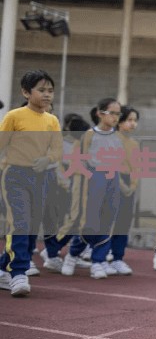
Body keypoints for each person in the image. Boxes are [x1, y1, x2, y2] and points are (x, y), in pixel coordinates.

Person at [0, 70, 62, 297]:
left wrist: (48, 159)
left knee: (31, 228)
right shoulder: (14, 116)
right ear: (26, 92)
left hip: (40, 178)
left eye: (50, 91)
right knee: (20, 223)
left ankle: (3, 267)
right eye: (41, 90)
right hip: (15, 176)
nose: (47, 95)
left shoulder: (52, 120)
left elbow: (57, 150)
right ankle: (19, 273)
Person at [56, 98, 130, 278]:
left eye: (118, 114)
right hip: (92, 178)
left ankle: (98, 261)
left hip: (111, 178)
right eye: (112, 113)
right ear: (100, 113)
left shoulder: (118, 137)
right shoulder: (89, 135)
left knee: (107, 219)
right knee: (89, 222)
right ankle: (73, 254)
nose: (115, 117)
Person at [41, 114, 91, 272]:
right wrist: (66, 184)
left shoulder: (80, 145)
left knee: (75, 222)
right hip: (68, 187)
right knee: (72, 220)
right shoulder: (73, 146)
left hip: (75, 186)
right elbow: (62, 168)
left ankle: (62, 251)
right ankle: (52, 250)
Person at [108, 106, 140, 275]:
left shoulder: (134, 144)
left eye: (135, 120)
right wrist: (121, 185)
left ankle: (118, 258)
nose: (133, 124)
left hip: (128, 183)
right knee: (109, 219)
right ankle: (103, 254)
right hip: (113, 181)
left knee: (124, 222)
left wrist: (132, 186)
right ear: (120, 122)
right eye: (129, 120)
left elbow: (137, 168)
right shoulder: (112, 139)